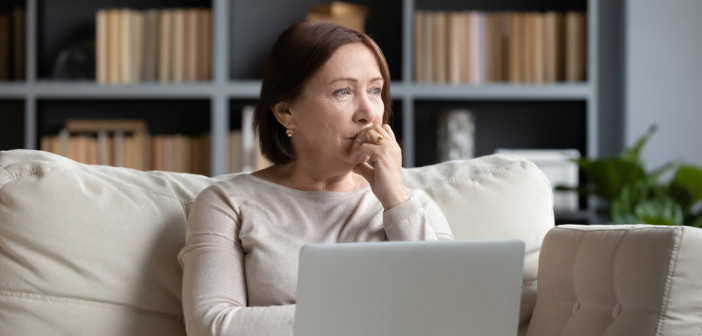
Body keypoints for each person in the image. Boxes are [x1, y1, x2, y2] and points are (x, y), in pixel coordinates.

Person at [178, 21, 454, 336]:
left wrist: (395, 201)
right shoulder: (226, 203)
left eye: (375, 90)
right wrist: (379, 319)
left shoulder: (411, 205)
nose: (368, 112)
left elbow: (449, 314)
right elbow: (210, 326)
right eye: (343, 91)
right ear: (285, 112)